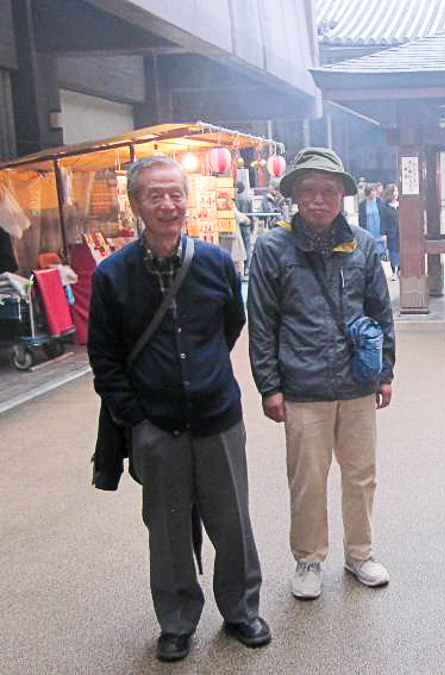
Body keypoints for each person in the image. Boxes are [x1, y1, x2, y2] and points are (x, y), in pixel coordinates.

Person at [88, 156, 270, 663]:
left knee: (232, 521)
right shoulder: (113, 275)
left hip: (218, 416)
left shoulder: (214, 263)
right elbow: (104, 356)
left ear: (187, 200)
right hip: (155, 423)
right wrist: (135, 417)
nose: (168, 205)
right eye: (155, 196)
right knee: (166, 529)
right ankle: (176, 620)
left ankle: (241, 610)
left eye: (175, 194)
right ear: (136, 204)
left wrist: (207, 374)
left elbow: (231, 324)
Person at [247, 147, 395, 599]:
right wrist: (269, 386)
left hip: (357, 381)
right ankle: (309, 559)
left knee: (361, 473)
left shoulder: (363, 245)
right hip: (302, 383)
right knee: (308, 479)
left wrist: (385, 371)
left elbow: (380, 312)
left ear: (342, 195)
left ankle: (360, 553)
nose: (318, 199)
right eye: (308, 190)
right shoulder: (272, 248)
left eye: (328, 191)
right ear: (293, 194)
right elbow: (263, 322)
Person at [358, 185, 388, 260]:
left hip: (379, 231)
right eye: (372, 191)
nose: (374, 193)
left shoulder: (380, 202)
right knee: (370, 252)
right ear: (368, 193)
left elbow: (384, 218)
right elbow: (361, 220)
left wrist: (384, 232)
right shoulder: (362, 205)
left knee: (381, 253)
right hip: (368, 230)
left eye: (375, 191)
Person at [382, 183, 401, 279]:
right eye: (395, 191)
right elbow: (383, 221)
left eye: (397, 191)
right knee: (393, 252)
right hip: (391, 233)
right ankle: (394, 271)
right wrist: (384, 233)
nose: (396, 193)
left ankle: (400, 271)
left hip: (401, 233)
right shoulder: (385, 206)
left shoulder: (401, 204)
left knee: (401, 251)